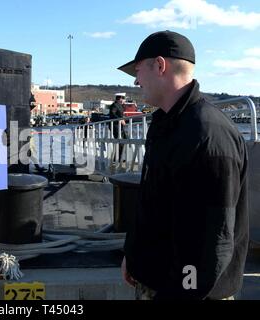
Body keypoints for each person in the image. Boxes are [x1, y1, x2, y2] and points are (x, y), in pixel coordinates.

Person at [117, 30, 249, 300]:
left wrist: (181, 292)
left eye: (138, 70)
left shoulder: (209, 135)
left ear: (160, 66)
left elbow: (215, 237)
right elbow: (153, 201)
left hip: (185, 292)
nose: (136, 80)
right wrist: (134, 255)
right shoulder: (165, 125)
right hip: (156, 278)